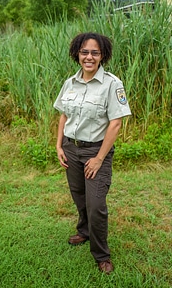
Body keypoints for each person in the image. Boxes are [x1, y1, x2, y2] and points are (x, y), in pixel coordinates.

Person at [53, 32, 131, 274]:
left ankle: (101, 254)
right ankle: (84, 231)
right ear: (77, 53)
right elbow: (63, 115)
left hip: (96, 151)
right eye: (84, 52)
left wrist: (98, 158)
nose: (89, 57)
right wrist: (58, 145)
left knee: (96, 204)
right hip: (71, 149)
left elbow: (115, 123)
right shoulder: (70, 83)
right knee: (79, 195)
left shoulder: (112, 84)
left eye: (94, 52)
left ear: (102, 55)